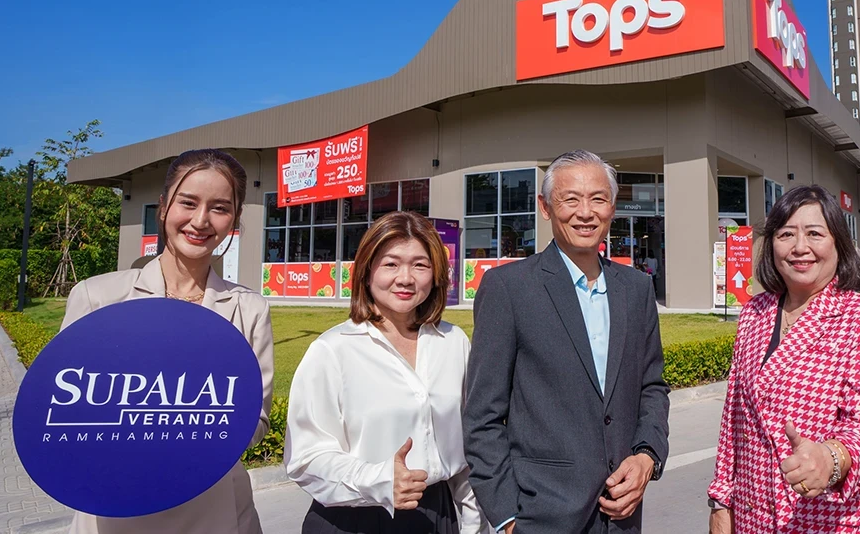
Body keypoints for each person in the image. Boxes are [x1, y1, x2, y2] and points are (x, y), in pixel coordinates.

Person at [61, 149, 274, 534]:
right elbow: (63, 412)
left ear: (235, 219)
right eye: (188, 203)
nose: (201, 220)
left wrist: (195, 430)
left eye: (220, 208)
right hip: (117, 509)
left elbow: (256, 420)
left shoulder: (250, 309)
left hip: (217, 509)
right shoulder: (98, 298)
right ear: (163, 207)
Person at [464, 150, 670, 534]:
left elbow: (652, 386)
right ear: (545, 207)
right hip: (540, 515)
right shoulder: (509, 288)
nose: (585, 213)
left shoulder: (636, 289)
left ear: (612, 207)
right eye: (570, 199)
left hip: (622, 515)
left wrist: (647, 456)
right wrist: (507, 517)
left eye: (598, 199)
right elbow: (481, 417)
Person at [707, 185, 860, 534]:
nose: (800, 247)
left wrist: (830, 458)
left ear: (837, 243)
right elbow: (734, 419)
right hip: (755, 518)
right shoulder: (755, 312)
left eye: (814, 233)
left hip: (836, 520)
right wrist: (721, 501)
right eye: (786, 234)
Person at [284, 211, 485, 533]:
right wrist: (378, 479)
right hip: (354, 518)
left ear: (436, 275)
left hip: (437, 514)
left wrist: (474, 525)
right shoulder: (333, 350)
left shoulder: (453, 342)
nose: (405, 278)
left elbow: (468, 450)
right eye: (391, 264)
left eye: (420, 265)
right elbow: (305, 459)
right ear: (366, 272)